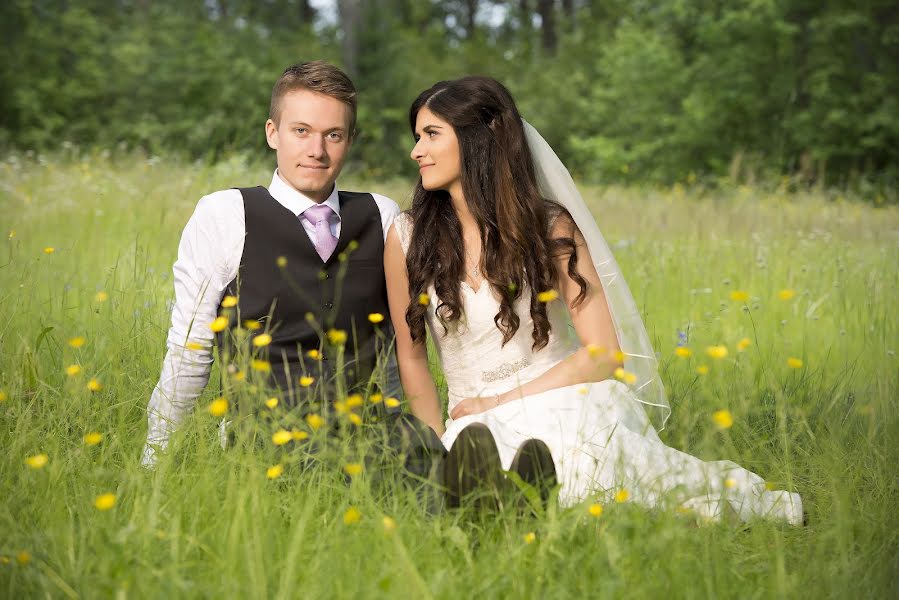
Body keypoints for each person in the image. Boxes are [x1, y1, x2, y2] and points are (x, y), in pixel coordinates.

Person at [383, 76, 804, 524]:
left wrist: (503, 400)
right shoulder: (408, 238)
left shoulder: (549, 227)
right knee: (478, 448)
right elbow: (412, 360)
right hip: (471, 418)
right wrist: (433, 446)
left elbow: (604, 354)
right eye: (417, 137)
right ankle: (496, 493)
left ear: (479, 139)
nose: (416, 151)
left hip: (563, 395)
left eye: (431, 135)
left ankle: (527, 497)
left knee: (582, 462)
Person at [142, 61, 445, 481]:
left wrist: (408, 439)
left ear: (350, 141)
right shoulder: (225, 215)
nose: (316, 151)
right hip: (261, 447)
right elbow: (189, 353)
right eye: (300, 131)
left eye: (333, 135)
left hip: (367, 441)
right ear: (273, 133)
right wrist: (153, 468)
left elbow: (395, 354)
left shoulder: (382, 215)